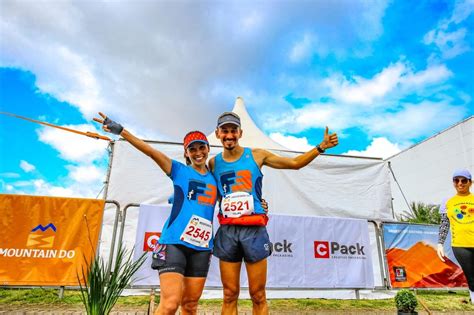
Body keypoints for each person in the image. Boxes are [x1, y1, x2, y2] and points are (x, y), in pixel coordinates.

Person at [209, 111, 339, 315]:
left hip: (253, 230)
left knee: (258, 294)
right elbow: (215, 195)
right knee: (229, 294)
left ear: (240, 132)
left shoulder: (257, 155)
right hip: (228, 231)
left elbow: (294, 164)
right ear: (217, 134)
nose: (229, 135)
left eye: (233, 131)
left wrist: (320, 147)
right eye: (225, 131)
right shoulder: (213, 163)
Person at [94, 112, 216, 315]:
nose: (198, 152)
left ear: (208, 149)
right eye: (192, 149)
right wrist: (122, 131)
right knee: (170, 304)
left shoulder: (215, 179)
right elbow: (150, 151)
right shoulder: (178, 170)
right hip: (173, 243)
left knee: (191, 305)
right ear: (186, 153)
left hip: (202, 247)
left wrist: (261, 205)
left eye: (201, 147)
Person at [437, 169, 474, 304]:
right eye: (456, 180)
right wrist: (440, 243)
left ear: (470, 182)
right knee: (471, 277)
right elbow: (444, 224)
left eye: (464, 180)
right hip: (460, 246)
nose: (460, 183)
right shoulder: (448, 202)